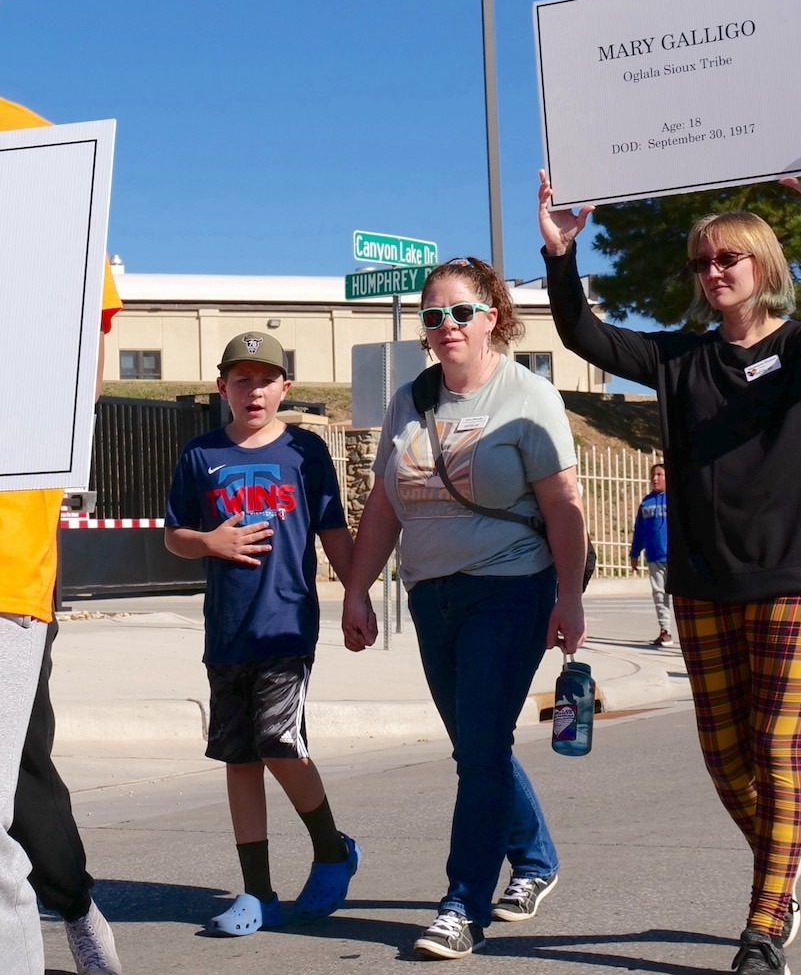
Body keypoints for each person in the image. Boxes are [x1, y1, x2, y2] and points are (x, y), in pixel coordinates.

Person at [538, 121, 801, 975]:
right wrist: (558, 256)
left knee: (776, 747)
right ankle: (783, 859)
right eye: (701, 262)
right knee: (723, 757)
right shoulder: (677, 360)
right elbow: (584, 336)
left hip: (793, 579)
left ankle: (764, 922)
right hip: (701, 582)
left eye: (727, 258)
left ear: (762, 267)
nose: (712, 271)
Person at [341, 256, 587, 960]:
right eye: (431, 315)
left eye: (459, 312)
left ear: (492, 319)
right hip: (432, 596)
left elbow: (563, 508)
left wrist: (568, 596)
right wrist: (358, 591)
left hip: (509, 589)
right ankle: (535, 861)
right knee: (477, 746)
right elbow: (384, 504)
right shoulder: (410, 399)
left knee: (479, 749)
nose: (444, 326)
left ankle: (462, 905)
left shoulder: (527, 396)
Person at [164, 330, 363, 937]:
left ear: (285, 388)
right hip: (226, 631)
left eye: (265, 379)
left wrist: (356, 600)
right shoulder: (201, 455)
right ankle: (258, 894)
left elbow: (333, 531)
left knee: (279, 743)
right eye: (241, 380)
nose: (254, 391)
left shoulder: (305, 452)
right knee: (241, 758)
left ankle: (332, 849)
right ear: (222, 387)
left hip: (285, 625)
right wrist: (209, 542)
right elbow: (174, 535)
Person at [0, 94, 123, 975]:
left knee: (19, 785)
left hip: (3, 567)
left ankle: (74, 907)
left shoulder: (25, 140)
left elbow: (90, 357)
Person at [629, 463, 673, 646]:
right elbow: (639, 530)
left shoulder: (675, 501)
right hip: (655, 557)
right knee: (659, 593)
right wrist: (634, 554)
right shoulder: (646, 503)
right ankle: (665, 630)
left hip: (676, 558)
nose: (655, 478)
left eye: (659, 474)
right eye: (653, 475)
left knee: (682, 596)